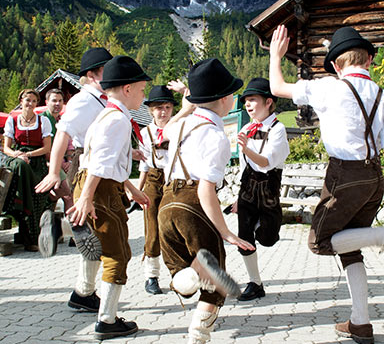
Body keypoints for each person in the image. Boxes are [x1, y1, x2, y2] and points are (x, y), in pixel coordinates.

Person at [269, 25, 384, 344]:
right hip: (374, 177)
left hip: (343, 176)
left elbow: (277, 86)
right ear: (368, 59)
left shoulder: (330, 87)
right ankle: (360, 323)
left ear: (337, 65)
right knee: (350, 250)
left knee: (319, 242)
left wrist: (275, 55)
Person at [157, 58, 255, 344]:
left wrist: (186, 106)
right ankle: (198, 337)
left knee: (182, 271)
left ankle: (184, 280)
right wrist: (225, 231)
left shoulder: (178, 127)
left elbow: (164, 132)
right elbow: (205, 190)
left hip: (165, 204)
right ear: (225, 99)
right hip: (193, 206)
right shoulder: (216, 136)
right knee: (216, 280)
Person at [68, 55, 151, 339]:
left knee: (100, 244)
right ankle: (107, 320)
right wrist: (88, 198)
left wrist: (130, 188)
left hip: (96, 185)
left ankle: (84, 294)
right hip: (100, 189)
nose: (144, 94)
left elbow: (106, 160)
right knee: (117, 252)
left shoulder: (107, 114)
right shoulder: (118, 120)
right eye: (141, 89)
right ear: (127, 89)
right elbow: (101, 165)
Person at [35, 47, 112, 313]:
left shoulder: (100, 99)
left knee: (95, 230)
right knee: (97, 229)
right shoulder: (84, 100)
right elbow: (62, 135)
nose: (111, 73)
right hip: (85, 163)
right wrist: (54, 172)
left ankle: (83, 292)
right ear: (91, 75)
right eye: (106, 69)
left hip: (98, 164)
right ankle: (62, 227)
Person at [230, 77, 289, 301]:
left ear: (268, 102)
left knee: (268, 237)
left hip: (268, 188)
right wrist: (238, 198)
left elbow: (267, 162)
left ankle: (262, 229)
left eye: (253, 99)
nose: (248, 104)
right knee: (243, 237)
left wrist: (246, 148)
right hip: (247, 188)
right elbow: (245, 167)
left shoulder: (278, 129)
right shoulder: (246, 128)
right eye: (246, 100)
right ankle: (255, 283)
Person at [137, 85, 177, 295]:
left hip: (174, 179)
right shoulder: (145, 132)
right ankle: (151, 276)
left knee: (171, 227)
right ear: (151, 110)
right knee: (152, 228)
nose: (163, 112)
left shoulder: (178, 128)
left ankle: (178, 274)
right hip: (153, 179)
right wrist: (138, 189)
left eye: (167, 107)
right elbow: (143, 164)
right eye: (159, 108)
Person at [2, 89, 52, 251]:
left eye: (33, 101)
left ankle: (31, 236)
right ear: (21, 101)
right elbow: (6, 148)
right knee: (21, 166)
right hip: (18, 159)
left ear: (37, 104)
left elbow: (47, 148)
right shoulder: (13, 120)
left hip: (37, 163)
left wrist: (28, 154)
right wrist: (18, 154)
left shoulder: (43, 121)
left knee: (35, 196)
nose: (30, 104)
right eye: (27, 100)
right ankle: (28, 238)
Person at [38, 88, 75, 256]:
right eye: (54, 100)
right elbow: (48, 150)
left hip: (59, 163)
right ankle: (74, 232)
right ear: (46, 102)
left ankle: (55, 227)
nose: (58, 104)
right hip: (48, 164)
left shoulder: (58, 120)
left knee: (59, 195)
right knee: (68, 194)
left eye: (60, 101)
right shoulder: (44, 120)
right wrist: (60, 164)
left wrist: (67, 161)